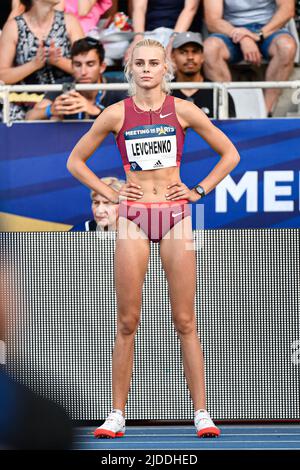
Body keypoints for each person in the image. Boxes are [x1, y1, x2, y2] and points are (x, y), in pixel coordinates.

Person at [67, 38, 240, 438]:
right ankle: (116, 414)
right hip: (133, 218)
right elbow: (75, 161)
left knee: (185, 319)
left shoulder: (183, 109)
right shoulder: (114, 114)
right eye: (140, 63)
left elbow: (230, 153)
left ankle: (201, 413)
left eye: (154, 63)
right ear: (130, 68)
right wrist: (110, 193)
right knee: (127, 321)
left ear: (167, 68)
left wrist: (199, 190)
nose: (147, 69)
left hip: (176, 215)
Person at [203, 0, 297, 115]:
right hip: (229, 29)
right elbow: (212, 20)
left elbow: (287, 10)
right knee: (209, 49)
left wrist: (259, 35)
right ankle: (230, 110)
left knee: (286, 47)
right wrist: (243, 37)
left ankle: (265, 113)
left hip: (269, 28)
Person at [0, 0, 84, 120]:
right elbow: (2, 76)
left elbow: (88, 69)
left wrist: (58, 61)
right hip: (23, 104)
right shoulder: (13, 26)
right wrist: (34, 64)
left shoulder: (70, 22)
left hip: (64, 102)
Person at [26, 37, 127, 121]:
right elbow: (29, 117)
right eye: (78, 65)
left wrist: (95, 111)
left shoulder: (118, 87)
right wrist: (50, 110)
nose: (83, 72)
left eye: (90, 64)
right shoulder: (64, 85)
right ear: (72, 66)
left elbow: (133, 121)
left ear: (102, 67)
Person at [172, 31, 236, 118]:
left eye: (195, 52)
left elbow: (230, 129)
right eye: (183, 52)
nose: (190, 57)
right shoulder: (163, 93)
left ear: (202, 56)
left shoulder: (218, 93)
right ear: (173, 56)